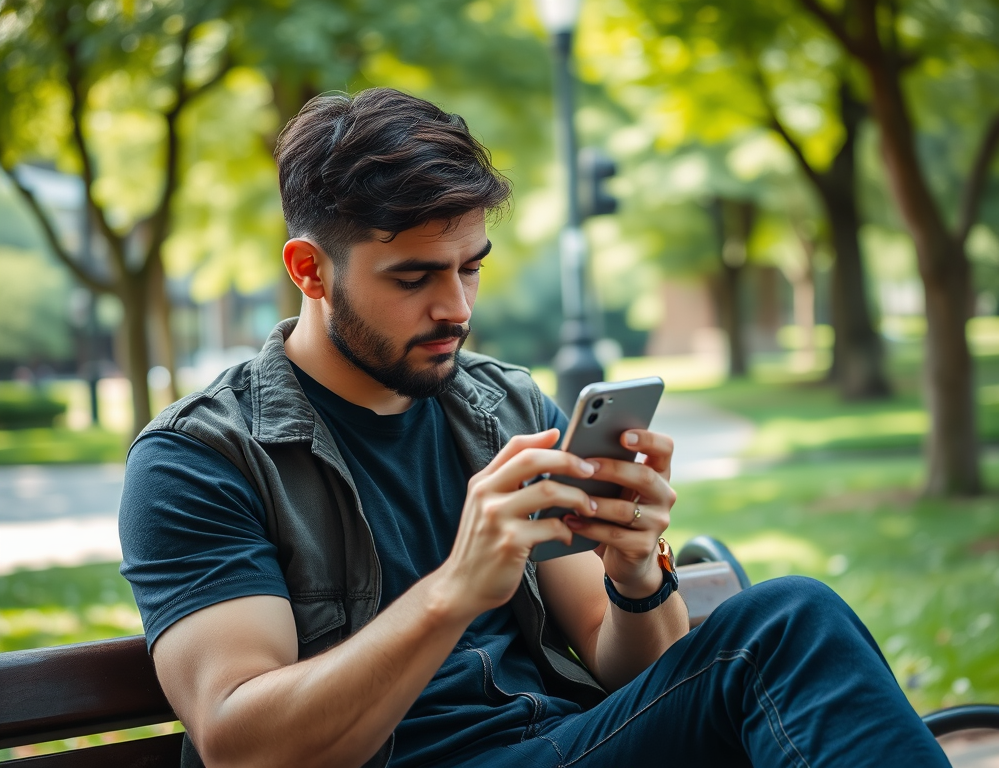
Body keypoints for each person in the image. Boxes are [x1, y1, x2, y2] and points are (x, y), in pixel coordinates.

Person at [118, 87, 952, 768]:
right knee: (784, 629)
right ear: (309, 270)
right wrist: (452, 590)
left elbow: (635, 669)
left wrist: (634, 568)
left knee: (784, 621)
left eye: (470, 268)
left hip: (562, 744)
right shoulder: (200, 458)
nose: (455, 307)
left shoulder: (505, 407)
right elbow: (238, 743)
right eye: (414, 277)